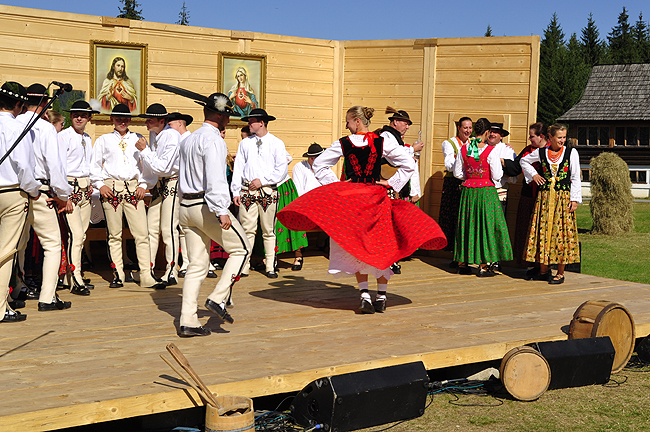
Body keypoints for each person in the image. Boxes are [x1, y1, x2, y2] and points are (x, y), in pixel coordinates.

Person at [277, 106, 447, 314]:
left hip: (354, 202)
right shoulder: (381, 142)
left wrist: (337, 185)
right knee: (381, 245)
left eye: (348, 121)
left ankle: (365, 295)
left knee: (358, 246)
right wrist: (391, 183)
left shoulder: (344, 143)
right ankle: (381, 296)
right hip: (376, 199)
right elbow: (408, 164)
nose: (346, 125)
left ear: (357, 121)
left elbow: (319, 165)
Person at [178, 92, 251, 337]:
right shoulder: (214, 140)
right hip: (205, 206)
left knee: (197, 266)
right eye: (227, 115)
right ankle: (218, 298)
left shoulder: (188, 139)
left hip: (186, 206)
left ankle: (188, 320)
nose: (229, 120)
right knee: (242, 249)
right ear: (219, 115)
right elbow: (215, 178)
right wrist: (222, 210)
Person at [90, 103, 165, 290]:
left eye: (125, 118)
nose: (122, 121)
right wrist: (100, 185)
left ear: (130, 120)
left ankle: (146, 275)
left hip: (133, 188)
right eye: (118, 118)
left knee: (142, 234)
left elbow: (147, 165)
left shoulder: (139, 139)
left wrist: (143, 185)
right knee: (114, 235)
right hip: (111, 188)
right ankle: (118, 274)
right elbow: (94, 165)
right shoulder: (103, 140)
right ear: (112, 119)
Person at [16, 84, 75, 310]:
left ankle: (16, 290)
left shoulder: (14, 123)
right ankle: (47, 297)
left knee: (17, 244)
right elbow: (55, 166)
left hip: (15, 190)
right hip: (40, 190)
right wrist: (63, 195)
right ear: (44, 103)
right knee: (52, 244)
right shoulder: (46, 128)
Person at [0, 82, 41, 322]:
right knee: (6, 252)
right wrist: (34, 191)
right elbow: (25, 167)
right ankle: (0, 306)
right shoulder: (17, 127)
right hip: (12, 192)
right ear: (18, 104)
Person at [231, 108, 288, 278]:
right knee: (247, 230)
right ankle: (245, 266)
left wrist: (262, 181)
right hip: (247, 190)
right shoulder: (245, 143)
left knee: (268, 230)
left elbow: (282, 169)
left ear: (261, 123)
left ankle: (270, 265)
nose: (249, 124)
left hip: (268, 191)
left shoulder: (276, 143)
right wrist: (235, 191)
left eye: (252, 121)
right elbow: (238, 168)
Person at [520, 124, 581, 284]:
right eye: (559, 137)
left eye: (564, 137)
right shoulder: (542, 152)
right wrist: (534, 175)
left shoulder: (571, 152)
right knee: (543, 231)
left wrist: (574, 199)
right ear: (551, 138)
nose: (562, 140)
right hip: (545, 198)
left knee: (561, 233)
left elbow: (575, 176)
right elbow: (524, 161)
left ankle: (560, 273)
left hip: (562, 198)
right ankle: (543, 271)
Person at [453, 118, 513, 276]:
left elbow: (457, 173)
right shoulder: (491, 151)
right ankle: (483, 266)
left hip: (468, 192)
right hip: (486, 192)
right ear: (487, 132)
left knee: (467, 225)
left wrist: (470, 177)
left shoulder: (464, 148)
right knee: (485, 226)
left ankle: (462, 264)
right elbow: (497, 175)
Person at [136, 103, 182, 286]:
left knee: (168, 228)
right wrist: (146, 183)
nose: (146, 123)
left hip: (172, 181)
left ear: (162, 121)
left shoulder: (172, 136)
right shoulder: (154, 134)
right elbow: (154, 165)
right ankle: (148, 270)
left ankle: (171, 271)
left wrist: (144, 150)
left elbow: (163, 167)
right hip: (159, 183)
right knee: (151, 228)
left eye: (150, 120)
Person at [59, 100, 99, 294]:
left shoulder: (87, 137)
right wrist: (64, 195)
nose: (79, 118)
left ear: (89, 118)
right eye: (76, 115)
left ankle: (73, 275)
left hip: (85, 189)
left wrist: (91, 183)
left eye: (83, 115)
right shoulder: (63, 136)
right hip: (70, 187)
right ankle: (75, 278)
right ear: (70, 116)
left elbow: (88, 164)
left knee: (81, 235)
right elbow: (59, 167)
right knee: (75, 235)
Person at [503, 122, 548, 276]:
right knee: (526, 230)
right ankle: (529, 265)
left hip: (544, 197)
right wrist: (503, 160)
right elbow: (516, 167)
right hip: (528, 195)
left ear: (541, 136)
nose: (529, 139)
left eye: (532, 136)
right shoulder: (528, 150)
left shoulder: (550, 151)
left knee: (541, 232)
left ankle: (542, 267)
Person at [439, 117, 472, 267]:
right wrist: (463, 160)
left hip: (468, 183)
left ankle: (463, 256)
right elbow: (449, 165)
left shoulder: (473, 143)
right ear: (459, 128)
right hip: (453, 184)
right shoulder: (449, 143)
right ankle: (456, 255)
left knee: (465, 219)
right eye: (465, 128)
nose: (468, 131)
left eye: (470, 128)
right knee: (453, 218)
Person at [275, 151, 308, 271]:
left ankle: (298, 254)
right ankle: (271, 258)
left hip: (283, 186)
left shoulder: (275, 143)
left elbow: (288, 158)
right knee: (270, 223)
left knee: (292, 219)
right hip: (266, 187)